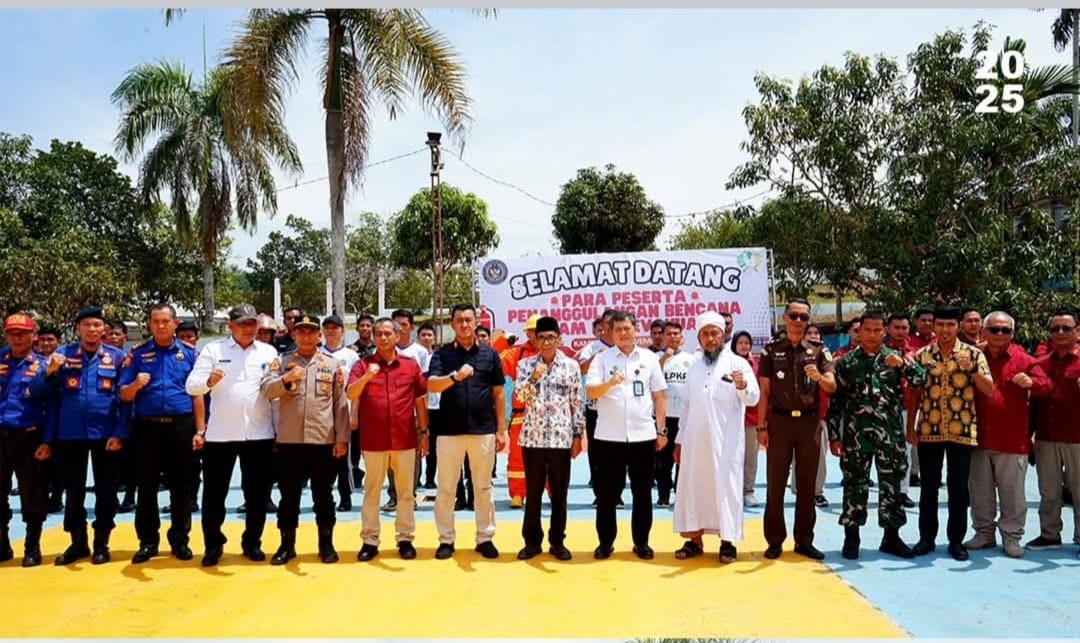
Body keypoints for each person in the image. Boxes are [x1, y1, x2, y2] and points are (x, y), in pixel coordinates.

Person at [826, 310, 927, 560]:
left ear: (884, 331)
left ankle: (891, 537)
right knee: (854, 485)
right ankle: (852, 537)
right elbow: (836, 401)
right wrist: (834, 436)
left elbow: (921, 379)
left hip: (889, 435)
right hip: (856, 435)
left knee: (892, 485)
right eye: (866, 330)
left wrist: (902, 366)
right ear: (860, 332)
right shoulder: (847, 362)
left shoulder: (898, 357)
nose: (871, 335)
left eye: (877, 330)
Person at [186, 303, 279, 567]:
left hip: (258, 433)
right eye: (243, 324)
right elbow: (191, 386)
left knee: (257, 495)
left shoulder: (268, 351)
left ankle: (252, 543)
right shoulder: (214, 350)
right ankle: (213, 546)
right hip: (220, 435)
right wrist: (208, 382)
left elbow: (273, 395)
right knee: (215, 495)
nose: (248, 328)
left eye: (252, 324)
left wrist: (278, 431)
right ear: (231, 326)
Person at [260, 314, 350, 565]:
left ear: (319, 336)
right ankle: (287, 545)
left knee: (323, 496)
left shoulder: (331, 365)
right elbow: (266, 390)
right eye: (301, 332)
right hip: (290, 442)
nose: (307, 336)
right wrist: (285, 380)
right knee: (289, 497)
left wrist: (341, 439)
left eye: (312, 332)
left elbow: (340, 404)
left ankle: (326, 544)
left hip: (322, 442)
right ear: (294, 335)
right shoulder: (281, 362)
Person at [42, 306, 127, 565]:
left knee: (105, 489)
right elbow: (43, 395)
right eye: (86, 325)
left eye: (96, 325)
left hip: (105, 434)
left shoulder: (117, 358)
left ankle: (102, 543)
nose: (92, 330)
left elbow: (125, 401)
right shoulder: (61, 356)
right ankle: (78, 543)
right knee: (73, 490)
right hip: (70, 434)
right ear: (78, 329)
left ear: (104, 330)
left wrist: (120, 432)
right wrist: (50, 371)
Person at [908, 305, 994, 561]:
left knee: (958, 489)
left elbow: (989, 389)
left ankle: (956, 541)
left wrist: (971, 369)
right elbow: (914, 392)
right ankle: (926, 538)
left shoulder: (973, 354)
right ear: (933, 326)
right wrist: (909, 426)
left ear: (959, 326)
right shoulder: (922, 355)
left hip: (962, 430)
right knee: (928, 488)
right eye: (940, 325)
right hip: (929, 429)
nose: (945, 330)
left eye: (950, 325)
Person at [672, 313, 760, 564]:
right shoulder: (694, 366)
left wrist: (742, 386)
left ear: (723, 335)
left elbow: (753, 399)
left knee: (726, 490)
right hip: (694, 442)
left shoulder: (738, 364)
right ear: (699, 337)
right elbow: (687, 407)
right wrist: (680, 440)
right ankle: (694, 540)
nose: (710, 339)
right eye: (705, 334)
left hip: (726, 444)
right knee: (693, 489)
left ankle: (727, 542)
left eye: (715, 334)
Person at [118, 303, 200, 564]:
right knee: (147, 486)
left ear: (175, 323)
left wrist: (201, 430)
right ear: (150, 324)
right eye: (156, 321)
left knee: (181, 486)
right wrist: (136, 384)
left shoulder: (189, 354)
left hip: (180, 426)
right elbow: (123, 394)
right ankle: (148, 542)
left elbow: (198, 394)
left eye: (166, 321)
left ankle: (180, 540)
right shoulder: (138, 354)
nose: (161, 325)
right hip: (147, 427)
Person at [756, 297, 836, 560]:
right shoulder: (770, 350)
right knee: (775, 484)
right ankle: (775, 540)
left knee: (806, 484)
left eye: (804, 317)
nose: (798, 321)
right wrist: (761, 427)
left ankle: (804, 540)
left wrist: (820, 377)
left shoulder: (819, 350)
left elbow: (831, 386)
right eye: (794, 316)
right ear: (784, 318)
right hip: (779, 422)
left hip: (809, 424)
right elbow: (764, 392)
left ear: (809, 320)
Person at [966, 311, 1051, 558]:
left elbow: (1046, 386)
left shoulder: (1024, 360)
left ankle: (1011, 537)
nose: (999, 334)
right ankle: (984, 534)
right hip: (978, 437)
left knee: (1012, 494)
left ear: (1013, 333)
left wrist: (1032, 383)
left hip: (1012, 439)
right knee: (980, 492)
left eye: (1005, 330)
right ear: (983, 331)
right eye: (994, 329)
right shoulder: (974, 357)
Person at [427, 304, 508, 560]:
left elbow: (498, 392)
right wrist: (454, 377)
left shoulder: (489, 355)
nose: (464, 325)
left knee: (483, 487)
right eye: (459, 320)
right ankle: (446, 539)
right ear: (452, 325)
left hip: (483, 430)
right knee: (447, 489)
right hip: (449, 431)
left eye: (468, 320)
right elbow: (432, 385)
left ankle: (485, 537)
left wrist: (501, 429)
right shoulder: (441, 355)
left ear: (476, 323)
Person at [586, 310, 668, 560]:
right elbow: (591, 392)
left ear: (636, 330)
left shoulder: (649, 359)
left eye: (627, 329)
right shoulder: (601, 359)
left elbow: (659, 396)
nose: (623, 334)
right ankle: (605, 542)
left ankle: (641, 542)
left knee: (642, 492)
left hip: (643, 435)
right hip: (608, 437)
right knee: (607, 494)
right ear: (610, 332)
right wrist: (610, 383)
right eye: (618, 330)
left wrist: (661, 430)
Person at [349, 317, 429, 561]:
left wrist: (424, 433)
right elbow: (351, 393)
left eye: (388, 334)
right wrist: (366, 378)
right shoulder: (362, 365)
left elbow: (420, 400)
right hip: (373, 440)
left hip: (405, 439)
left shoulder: (410, 365)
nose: (383, 338)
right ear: (373, 338)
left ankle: (405, 538)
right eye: (379, 334)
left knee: (406, 492)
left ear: (397, 336)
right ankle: (370, 540)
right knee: (372, 492)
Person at [513, 316, 585, 561]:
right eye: (541, 337)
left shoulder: (571, 367)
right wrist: (535, 376)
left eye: (551, 338)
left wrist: (578, 435)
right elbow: (521, 398)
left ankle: (557, 541)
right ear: (534, 339)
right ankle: (531, 542)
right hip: (533, 438)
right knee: (533, 493)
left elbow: (577, 403)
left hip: (560, 439)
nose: (546, 342)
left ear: (559, 339)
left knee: (559, 493)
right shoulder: (525, 365)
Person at [1027, 308, 1080, 555]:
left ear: (1077, 332)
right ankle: (1050, 534)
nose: (1060, 333)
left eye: (1066, 328)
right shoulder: (1041, 364)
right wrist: (1030, 434)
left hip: (1077, 438)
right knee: (1048, 490)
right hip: (1046, 436)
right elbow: (1033, 403)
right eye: (1055, 328)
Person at [0, 313, 51, 566]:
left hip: (30, 436)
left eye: (22, 333)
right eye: (12, 333)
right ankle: (2, 544)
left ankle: (32, 547)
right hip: (1, 436)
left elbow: (53, 407)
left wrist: (48, 441)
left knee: (32, 493)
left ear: (34, 336)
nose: (17, 338)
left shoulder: (44, 366)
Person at [500, 313, 541, 508]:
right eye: (533, 332)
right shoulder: (517, 354)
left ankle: (552, 492)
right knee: (517, 457)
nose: (536, 336)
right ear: (527, 333)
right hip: (521, 414)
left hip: (548, 417)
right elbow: (493, 362)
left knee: (551, 456)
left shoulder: (557, 354)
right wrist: (501, 340)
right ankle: (517, 493)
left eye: (539, 331)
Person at [319, 314, 360, 512]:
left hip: (345, 412)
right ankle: (324, 498)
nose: (331, 331)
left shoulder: (351, 356)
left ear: (343, 331)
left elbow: (358, 388)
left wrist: (355, 414)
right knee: (323, 461)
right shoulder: (317, 354)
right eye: (327, 328)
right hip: (322, 417)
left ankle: (346, 498)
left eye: (335, 328)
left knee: (345, 461)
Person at [657, 321, 694, 508]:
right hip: (664, 416)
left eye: (676, 334)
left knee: (684, 458)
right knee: (663, 460)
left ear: (682, 337)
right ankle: (663, 495)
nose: (673, 337)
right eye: (669, 334)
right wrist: (664, 358)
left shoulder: (692, 359)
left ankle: (681, 494)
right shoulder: (656, 359)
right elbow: (650, 378)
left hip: (685, 416)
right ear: (663, 337)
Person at [731, 330, 762, 507]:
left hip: (751, 418)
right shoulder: (726, 363)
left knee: (750, 457)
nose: (744, 346)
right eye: (740, 342)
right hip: (731, 418)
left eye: (747, 343)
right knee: (731, 457)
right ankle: (732, 491)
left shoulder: (756, 364)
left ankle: (748, 491)